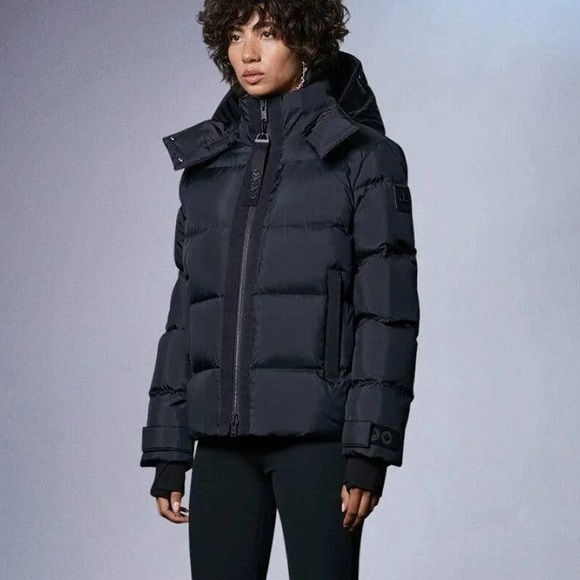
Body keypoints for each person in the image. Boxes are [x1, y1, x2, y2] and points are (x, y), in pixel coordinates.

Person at [140, 1, 419, 578]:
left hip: (318, 441)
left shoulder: (365, 160)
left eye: (267, 33)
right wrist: (169, 447)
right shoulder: (208, 169)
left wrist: (368, 448)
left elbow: (386, 315)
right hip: (222, 446)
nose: (247, 53)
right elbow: (186, 314)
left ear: (307, 40)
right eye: (234, 35)